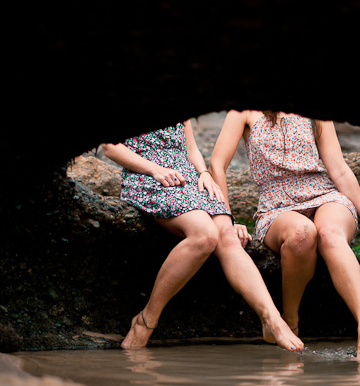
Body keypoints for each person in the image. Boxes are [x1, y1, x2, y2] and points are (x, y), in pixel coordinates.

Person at [209, 110, 360, 360]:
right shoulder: (243, 112)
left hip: (324, 194)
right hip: (275, 205)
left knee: (330, 233)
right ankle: (290, 320)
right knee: (302, 233)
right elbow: (217, 165)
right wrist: (228, 220)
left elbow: (339, 169)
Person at [101, 120, 303, 352]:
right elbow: (110, 147)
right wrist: (154, 169)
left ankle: (271, 318)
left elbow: (191, 149)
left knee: (227, 235)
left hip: (188, 177)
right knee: (205, 235)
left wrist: (204, 173)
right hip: (149, 176)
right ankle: (146, 320)